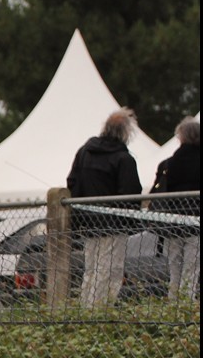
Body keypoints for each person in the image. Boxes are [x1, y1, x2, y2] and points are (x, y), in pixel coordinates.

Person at [66, 107, 143, 308]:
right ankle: (101, 310)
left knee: (91, 268)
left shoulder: (85, 152)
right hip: (114, 223)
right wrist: (131, 220)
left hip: (87, 220)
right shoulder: (124, 159)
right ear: (126, 132)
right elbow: (131, 192)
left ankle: (87, 307)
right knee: (111, 269)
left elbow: (72, 181)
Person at [150, 115, 200, 301]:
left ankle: (173, 304)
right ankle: (187, 305)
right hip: (196, 223)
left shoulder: (167, 164)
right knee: (191, 269)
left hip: (172, 223)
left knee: (175, 269)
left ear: (181, 137)